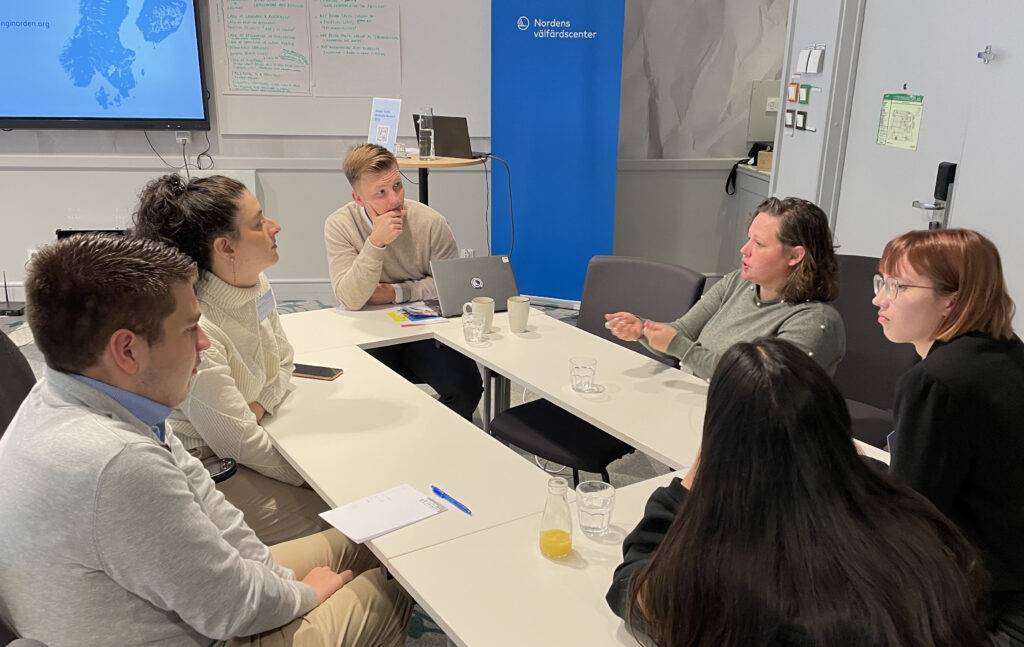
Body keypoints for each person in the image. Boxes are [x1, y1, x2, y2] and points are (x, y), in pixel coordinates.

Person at [0, 234, 411, 646]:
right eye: (189, 328)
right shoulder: (118, 464)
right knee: (395, 589)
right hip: (207, 630)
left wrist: (278, 583)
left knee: (376, 539)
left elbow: (211, 507)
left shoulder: (69, 392)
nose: (205, 342)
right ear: (127, 350)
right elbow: (232, 609)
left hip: (188, 609)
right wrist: (306, 595)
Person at [606, 337, 988, 647]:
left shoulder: (718, 575)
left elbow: (630, 585)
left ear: (722, 450)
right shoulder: (912, 519)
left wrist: (688, 485)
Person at [133, 173, 330, 544]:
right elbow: (235, 444)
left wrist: (258, 404)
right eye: (258, 223)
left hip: (249, 437)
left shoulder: (255, 284)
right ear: (226, 248)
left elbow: (284, 361)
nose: (275, 227)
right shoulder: (196, 328)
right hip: (205, 465)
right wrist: (318, 478)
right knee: (343, 520)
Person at [874, 228, 1024, 643]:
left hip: (980, 601)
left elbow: (914, 515)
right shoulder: (1008, 349)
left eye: (899, 287)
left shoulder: (936, 380)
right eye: (881, 281)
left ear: (952, 299)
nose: (879, 299)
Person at [324, 143, 482, 420]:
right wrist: (376, 243)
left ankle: (433, 441)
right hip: (367, 327)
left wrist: (397, 293)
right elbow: (350, 297)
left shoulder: (430, 222)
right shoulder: (340, 225)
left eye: (397, 185)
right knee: (369, 399)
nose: (395, 199)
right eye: (381, 193)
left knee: (466, 387)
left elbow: (449, 283)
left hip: (423, 327)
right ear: (358, 199)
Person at [605, 197, 845, 379]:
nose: (745, 249)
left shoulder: (813, 322)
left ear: (795, 255)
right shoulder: (737, 282)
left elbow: (760, 385)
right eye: (748, 238)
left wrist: (680, 347)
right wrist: (643, 330)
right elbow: (683, 331)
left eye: (759, 244)